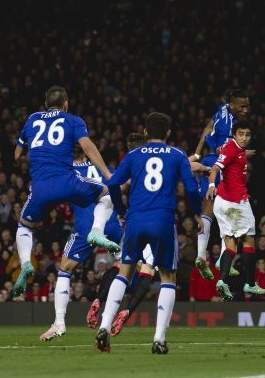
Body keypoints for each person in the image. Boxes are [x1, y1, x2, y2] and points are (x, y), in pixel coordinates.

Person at [95, 112, 202, 354]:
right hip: (162, 219)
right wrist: (196, 214)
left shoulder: (133, 155)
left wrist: (121, 211)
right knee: (167, 278)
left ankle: (104, 326)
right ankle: (159, 339)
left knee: (124, 272)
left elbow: (113, 184)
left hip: (135, 219)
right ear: (168, 133)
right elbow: (192, 188)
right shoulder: (177, 155)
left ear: (145, 132)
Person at [13, 86, 118, 297]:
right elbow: (87, 146)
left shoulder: (32, 119)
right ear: (66, 103)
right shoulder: (73, 120)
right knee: (106, 193)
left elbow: (17, 155)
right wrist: (107, 173)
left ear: (45, 104)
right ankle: (96, 231)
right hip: (68, 182)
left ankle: (26, 263)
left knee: (24, 226)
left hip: (41, 187)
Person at [38, 145, 124, 341]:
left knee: (65, 269)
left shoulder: (67, 173)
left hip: (85, 226)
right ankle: (106, 308)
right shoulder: (104, 168)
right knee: (125, 268)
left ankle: (59, 322)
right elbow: (120, 186)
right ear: (86, 154)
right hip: (112, 223)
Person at [191, 90, 250, 280]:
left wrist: (198, 153)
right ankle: (224, 258)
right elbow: (224, 151)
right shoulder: (229, 126)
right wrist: (246, 155)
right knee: (233, 212)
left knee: (208, 211)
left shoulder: (223, 108)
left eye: (247, 105)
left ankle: (201, 254)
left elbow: (208, 128)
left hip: (207, 161)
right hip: (221, 166)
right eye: (242, 106)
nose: (246, 110)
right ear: (233, 105)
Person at [205, 120, 265, 299]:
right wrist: (210, 185)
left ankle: (222, 280)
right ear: (234, 134)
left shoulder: (235, 149)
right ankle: (250, 284)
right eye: (241, 134)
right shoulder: (232, 148)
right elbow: (215, 168)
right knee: (248, 242)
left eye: (247, 135)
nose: (244, 138)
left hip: (223, 203)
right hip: (236, 203)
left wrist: (243, 153)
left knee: (231, 244)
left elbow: (226, 154)